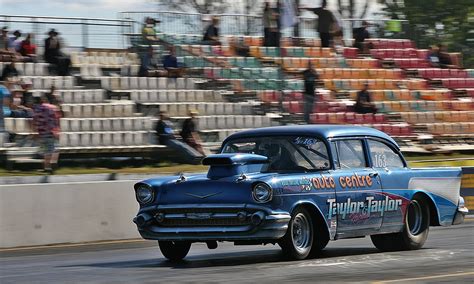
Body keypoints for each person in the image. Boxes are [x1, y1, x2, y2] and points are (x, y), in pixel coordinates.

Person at [32, 93, 61, 174]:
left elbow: (34, 120)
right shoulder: (52, 108)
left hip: (41, 132)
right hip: (51, 131)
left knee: (46, 150)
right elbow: (56, 120)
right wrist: (56, 130)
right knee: (51, 149)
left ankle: (46, 166)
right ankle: (50, 166)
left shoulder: (37, 109)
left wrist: (34, 131)